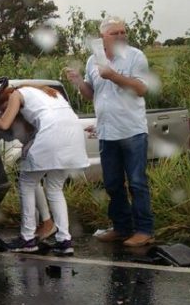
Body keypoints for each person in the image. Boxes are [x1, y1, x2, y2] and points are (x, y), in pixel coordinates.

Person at [65, 16, 155, 247]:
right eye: (115, 33)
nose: (121, 36)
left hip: (132, 131)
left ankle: (144, 230)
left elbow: (142, 89)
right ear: (103, 37)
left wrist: (113, 75)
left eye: (123, 32)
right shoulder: (92, 61)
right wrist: (77, 81)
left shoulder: (136, 56)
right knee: (113, 184)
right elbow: (90, 93)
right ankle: (122, 227)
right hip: (107, 132)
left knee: (137, 182)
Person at [0, 83, 89, 255]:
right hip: (74, 137)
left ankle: (27, 239)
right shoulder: (51, 93)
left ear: (6, 97)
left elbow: (4, 124)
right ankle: (64, 241)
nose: (2, 111)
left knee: (27, 183)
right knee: (55, 188)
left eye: (2, 107)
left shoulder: (16, 95)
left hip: (51, 136)